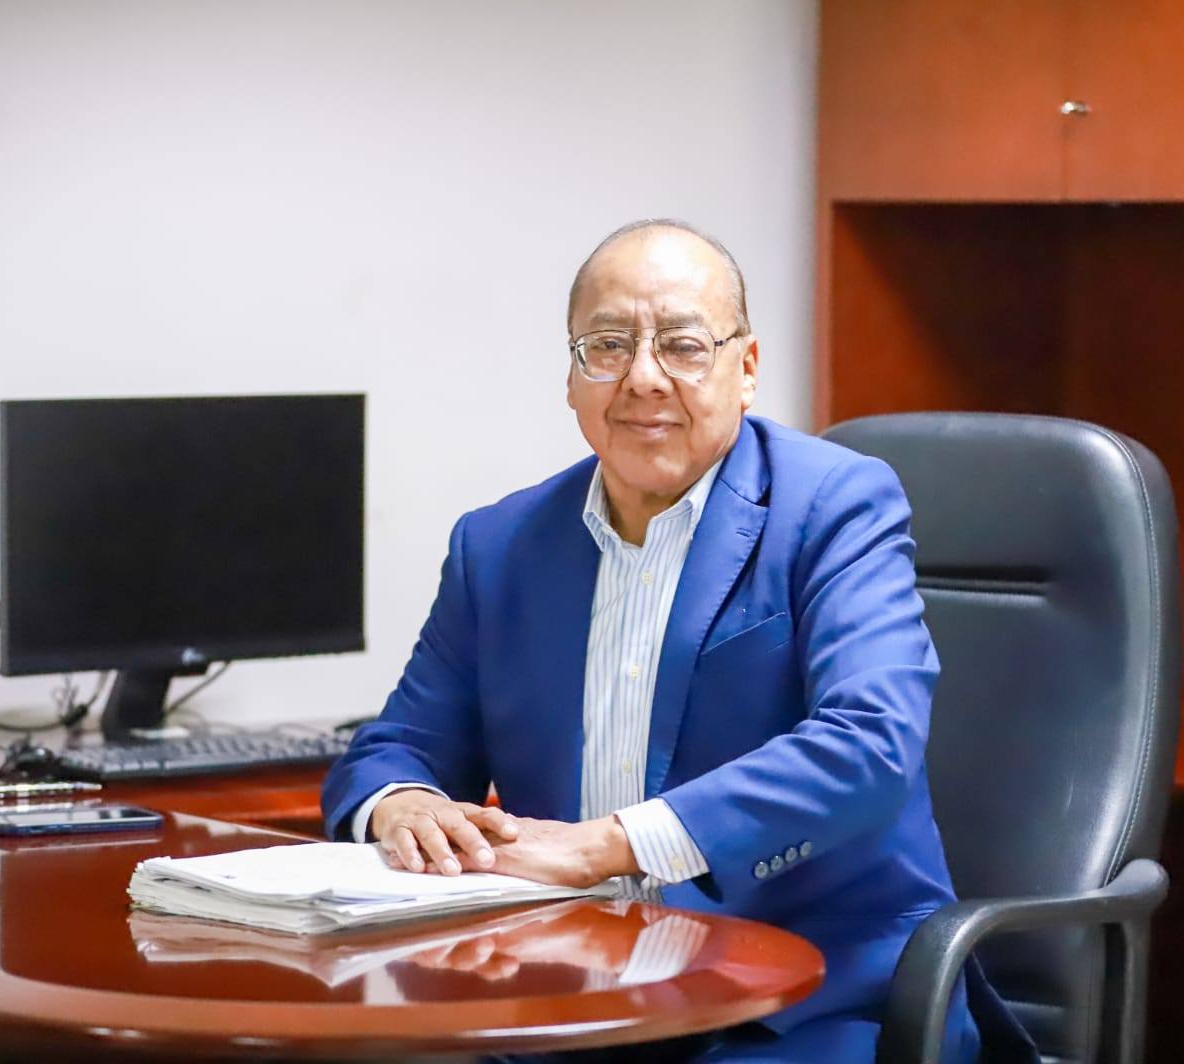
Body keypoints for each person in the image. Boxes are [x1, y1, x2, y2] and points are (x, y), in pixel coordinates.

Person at [322, 219, 1029, 1062]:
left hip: (807, 1001)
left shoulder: (834, 506)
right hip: (570, 994)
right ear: (573, 375)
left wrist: (604, 846)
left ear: (747, 368)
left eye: (684, 346)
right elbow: (396, 747)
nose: (644, 378)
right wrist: (402, 805)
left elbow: (870, 743)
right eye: (608, 345)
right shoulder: (499, 545)